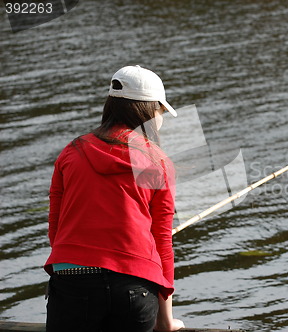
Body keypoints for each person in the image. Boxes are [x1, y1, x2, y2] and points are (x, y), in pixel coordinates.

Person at [44, 65, 185, 332]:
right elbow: (161, 240)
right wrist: (165, 320)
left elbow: (56, 229)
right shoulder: (157, 161)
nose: (162, 119)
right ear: (148, 111)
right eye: (161, 111)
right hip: (134, 286)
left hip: (71, 281)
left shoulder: (71, 153)